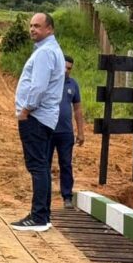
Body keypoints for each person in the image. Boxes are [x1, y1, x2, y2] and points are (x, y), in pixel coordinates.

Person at [12, 13, 65, 231]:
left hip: (36, 116)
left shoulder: (45, 53)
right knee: (41, 165)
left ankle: (39, 216)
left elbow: (39, 87)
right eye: (31, 25)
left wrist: (25, 110)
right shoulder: (51, 50)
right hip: (44, 117)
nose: (33, 29)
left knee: (37, 166)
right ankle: (42, 214)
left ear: (49, 29)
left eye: (38, 26)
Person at [52, 55, 86, 209]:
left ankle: (67, 196)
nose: (66, 70)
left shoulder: (73, 85)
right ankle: (44, 196)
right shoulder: (49, 82)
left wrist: (80, 132)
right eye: (64, 67)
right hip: (48, 130)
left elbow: (78, 109)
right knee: (44, 164)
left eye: (69, 68)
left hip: (66, 133)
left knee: (66, 164)